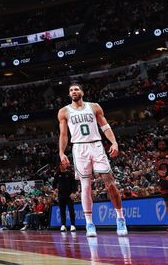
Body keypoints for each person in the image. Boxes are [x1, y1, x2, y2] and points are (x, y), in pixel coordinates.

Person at [58, 83, 127, 237]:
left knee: (109, 182)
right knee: (86, 186)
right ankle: (89, 223)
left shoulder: (94, 107)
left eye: (76, 89)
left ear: (82, 91)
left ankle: (120, 218)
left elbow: (105, 126)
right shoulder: (64, 111)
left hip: (96, 145)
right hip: (79, 148)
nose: (73, 91)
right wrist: (62, 152)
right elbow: (64, 135)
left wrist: (114, 142)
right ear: (69, 94)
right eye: (71, 90)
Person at [154, 135, 168, 233]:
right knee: (167, 204)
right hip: (164, 182)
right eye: (160, 144)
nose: (161, 145)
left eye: (163, 144)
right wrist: (158, 172)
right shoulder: (158, 157)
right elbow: (157, 169)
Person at [54, 163, 77, 232]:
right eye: (61, 165)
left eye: (63, 165)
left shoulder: (70, 174)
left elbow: (74, 184)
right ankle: (63, 225)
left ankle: (72, 225)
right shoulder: (57, 174)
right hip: (61, 195)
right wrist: (55, 188)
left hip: (69, 195)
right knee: (62, 210)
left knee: (71, 210)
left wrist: (73, 192)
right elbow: (54, 183)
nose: (62, 166)